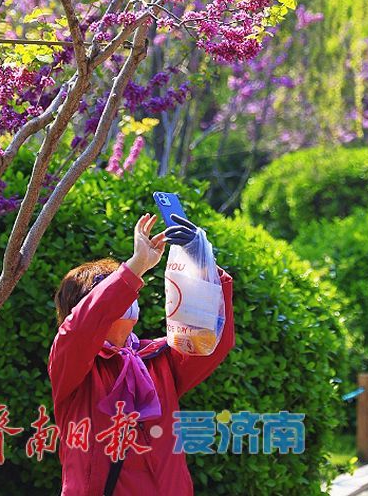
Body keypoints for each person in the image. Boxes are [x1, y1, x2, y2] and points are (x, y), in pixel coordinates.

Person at [48, 211, 235, 495]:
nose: (131, 289)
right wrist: (136, 265)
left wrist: (203, 266)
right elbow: (81, 328)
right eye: (108, 285)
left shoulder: (157, 358)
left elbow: (211, 341)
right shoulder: (72, 362)